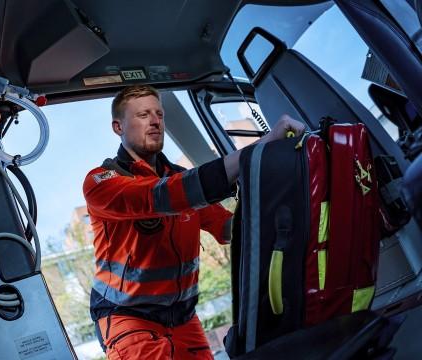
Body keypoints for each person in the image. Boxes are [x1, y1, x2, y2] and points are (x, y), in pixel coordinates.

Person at [82, 85, 305, 359]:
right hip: (128, 319)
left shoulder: (179, 177)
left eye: (159, 114)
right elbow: (164, 196)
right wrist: (261, 146)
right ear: (118, 127)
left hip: (184, 317)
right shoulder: (102, 182)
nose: (155, 121)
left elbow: (228, 228)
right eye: (142, 115)